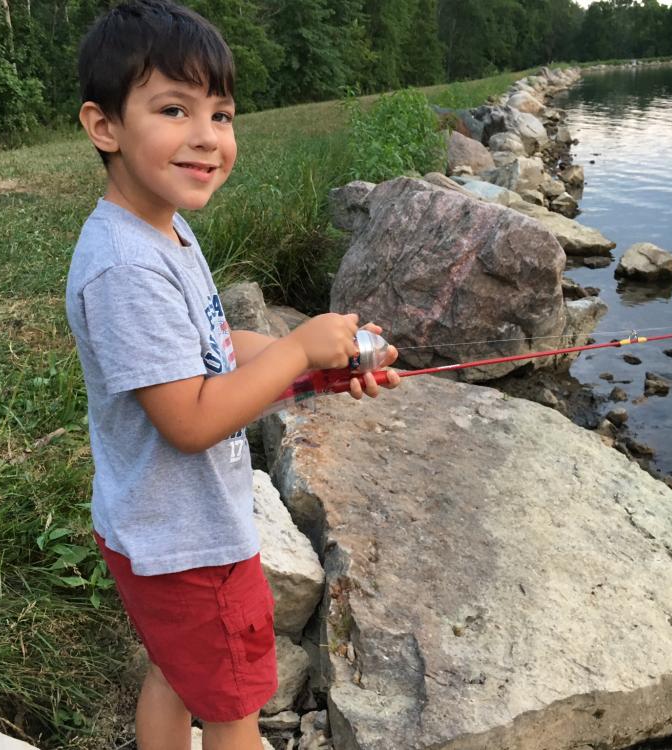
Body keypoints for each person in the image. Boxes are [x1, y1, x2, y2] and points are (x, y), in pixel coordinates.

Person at [66, 2, 400, 748]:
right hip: (191, 547)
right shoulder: (125, 267)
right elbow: (189, 420)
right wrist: (296, 352)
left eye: (221, 114)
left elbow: (213, 348)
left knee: (177, 673)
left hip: (158, 532)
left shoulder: (163, 228)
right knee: (233, 711)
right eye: (174, 109)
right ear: (105, 127)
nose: (206, 137)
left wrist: (317, 368)